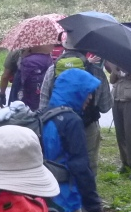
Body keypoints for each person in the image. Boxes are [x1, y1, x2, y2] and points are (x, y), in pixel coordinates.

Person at [42, 68, 104, 212]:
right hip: (66, 200)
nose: (90, 98)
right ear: (75, 92)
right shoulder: (72, 122)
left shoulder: (44, 115)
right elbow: (80, 166)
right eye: (87, 92)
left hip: (45, 197)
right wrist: (93, 207)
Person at [39, 37, 112, 178]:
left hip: (57, 125)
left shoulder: (52, 70)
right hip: (88, 125)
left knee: (58, 162)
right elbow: (105, 106)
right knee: (88, 163)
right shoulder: (96, 72)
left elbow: (43, 105)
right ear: (86, 50)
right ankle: (86, 194)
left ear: (65, 47)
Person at [17, 43, 55, 111]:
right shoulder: (48, 58)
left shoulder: (26, 60)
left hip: (29, 94)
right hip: (44, 91)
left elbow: (22, 80)